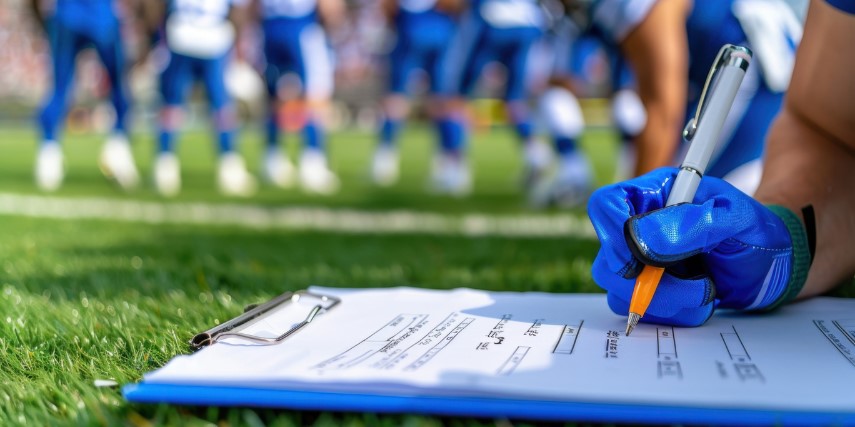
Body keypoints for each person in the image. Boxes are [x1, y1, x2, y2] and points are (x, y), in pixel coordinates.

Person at [587, 0, 854, 327]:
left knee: (707, 204)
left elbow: (662, 106)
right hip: (776, 88)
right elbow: (827, 133)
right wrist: (789, 235)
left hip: (756, 85)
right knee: (705, 225)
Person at [593, 0, 802, 196]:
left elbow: (663, 112)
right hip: (763, 65)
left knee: (678, 202)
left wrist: (635, 211)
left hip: (749, 70)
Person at [145, 0, 257, 197]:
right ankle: (229, 164)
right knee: (220, 105)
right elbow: (238, 10)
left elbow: (156, 7)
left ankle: (165, 163)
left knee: (172, 103)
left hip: (182, 35)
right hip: (212, 36)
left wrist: (157, 37)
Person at [436, 0, 548, 196]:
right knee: (514, 100)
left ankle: (456, 170)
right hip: (527, 24)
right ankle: (535, 153)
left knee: (455, 96)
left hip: (490, 21)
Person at [30, 0, 140, 192]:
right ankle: (118, 144)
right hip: (100, 18)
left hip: (67, 17)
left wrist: (42, 20)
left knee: (59, 87)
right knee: (120, 84)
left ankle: (49, 151)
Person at [255, 0, 344, 194]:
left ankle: (272, 158)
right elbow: (329, 7)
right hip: (301, 28)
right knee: (315, 95)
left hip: (269, 30)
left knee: (275, 98)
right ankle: (312, 160)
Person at [369, 0, 460, 187]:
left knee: (397, 97)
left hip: (412, 28)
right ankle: (451, 162)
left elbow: (387, 6)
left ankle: (385, 158)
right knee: (444, 100)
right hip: (442, 31)